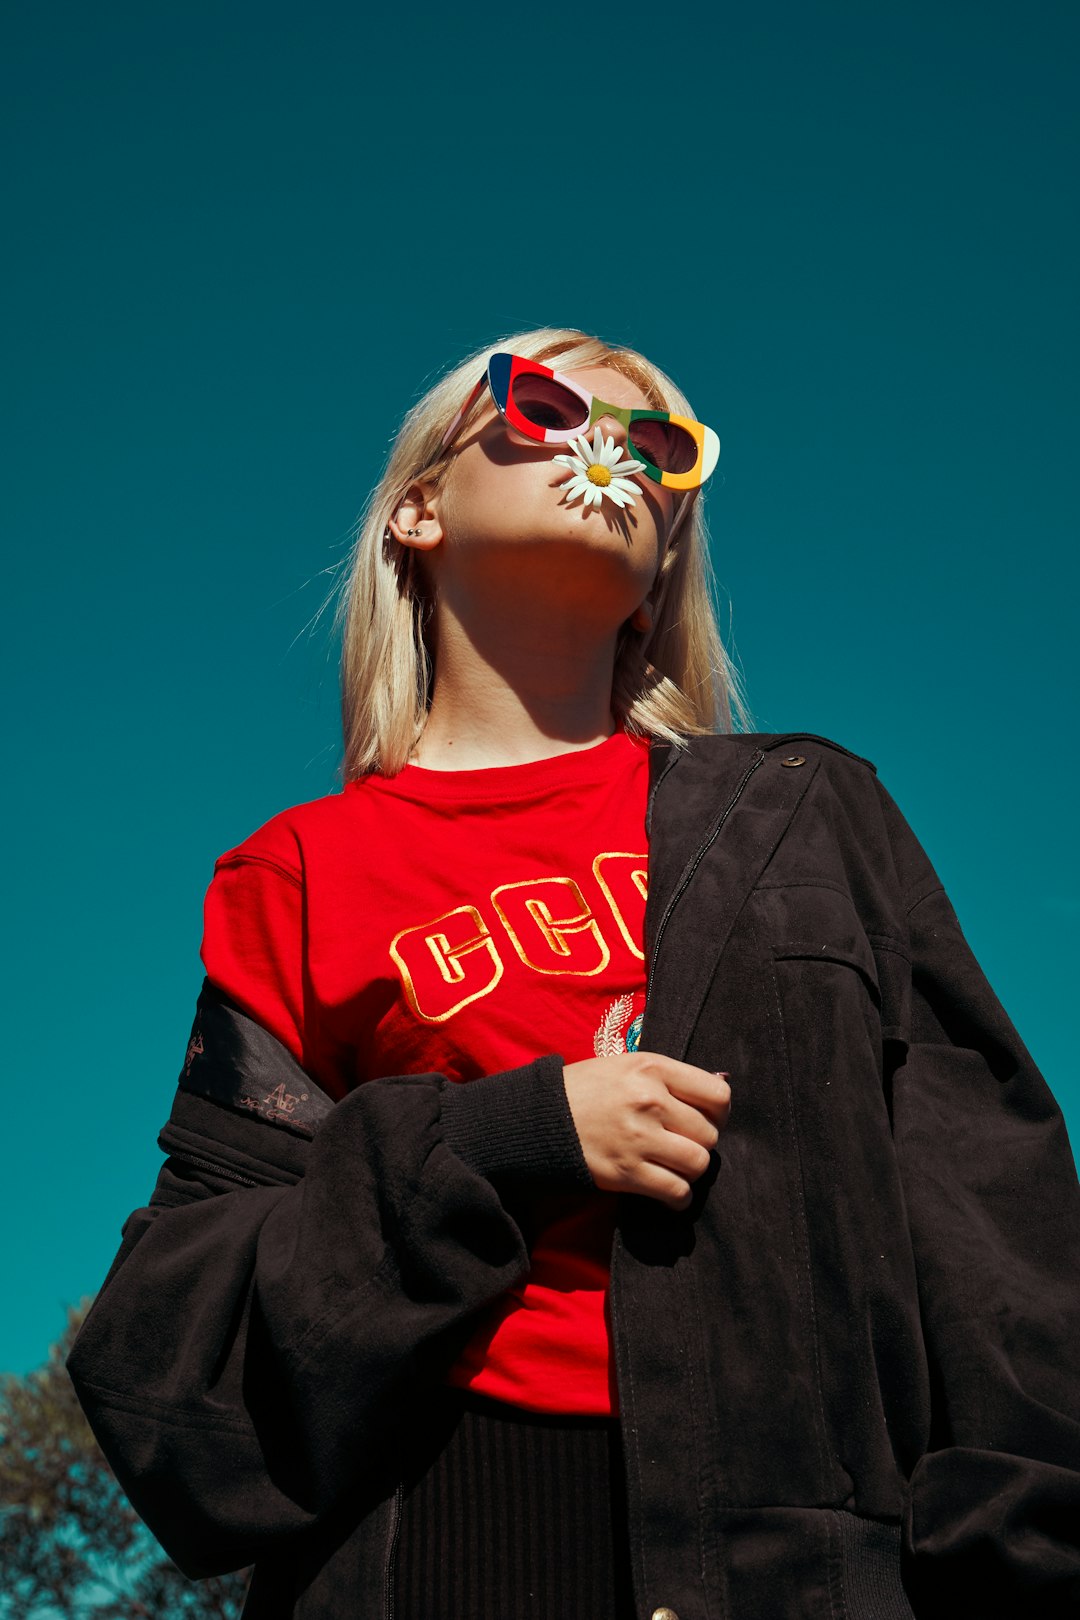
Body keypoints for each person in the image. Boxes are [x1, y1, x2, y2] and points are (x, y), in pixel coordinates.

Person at [68, 328, 1080, 1619]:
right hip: (427, 1543)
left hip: (800, 1561)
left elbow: (998, 1236)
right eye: (542, 406)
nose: (607, 449)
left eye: (657, 447)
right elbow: (176, 1350)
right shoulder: (296, 873)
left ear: (664, 564)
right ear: (420, 509)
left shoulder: (806, 819)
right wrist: (504, 1137)